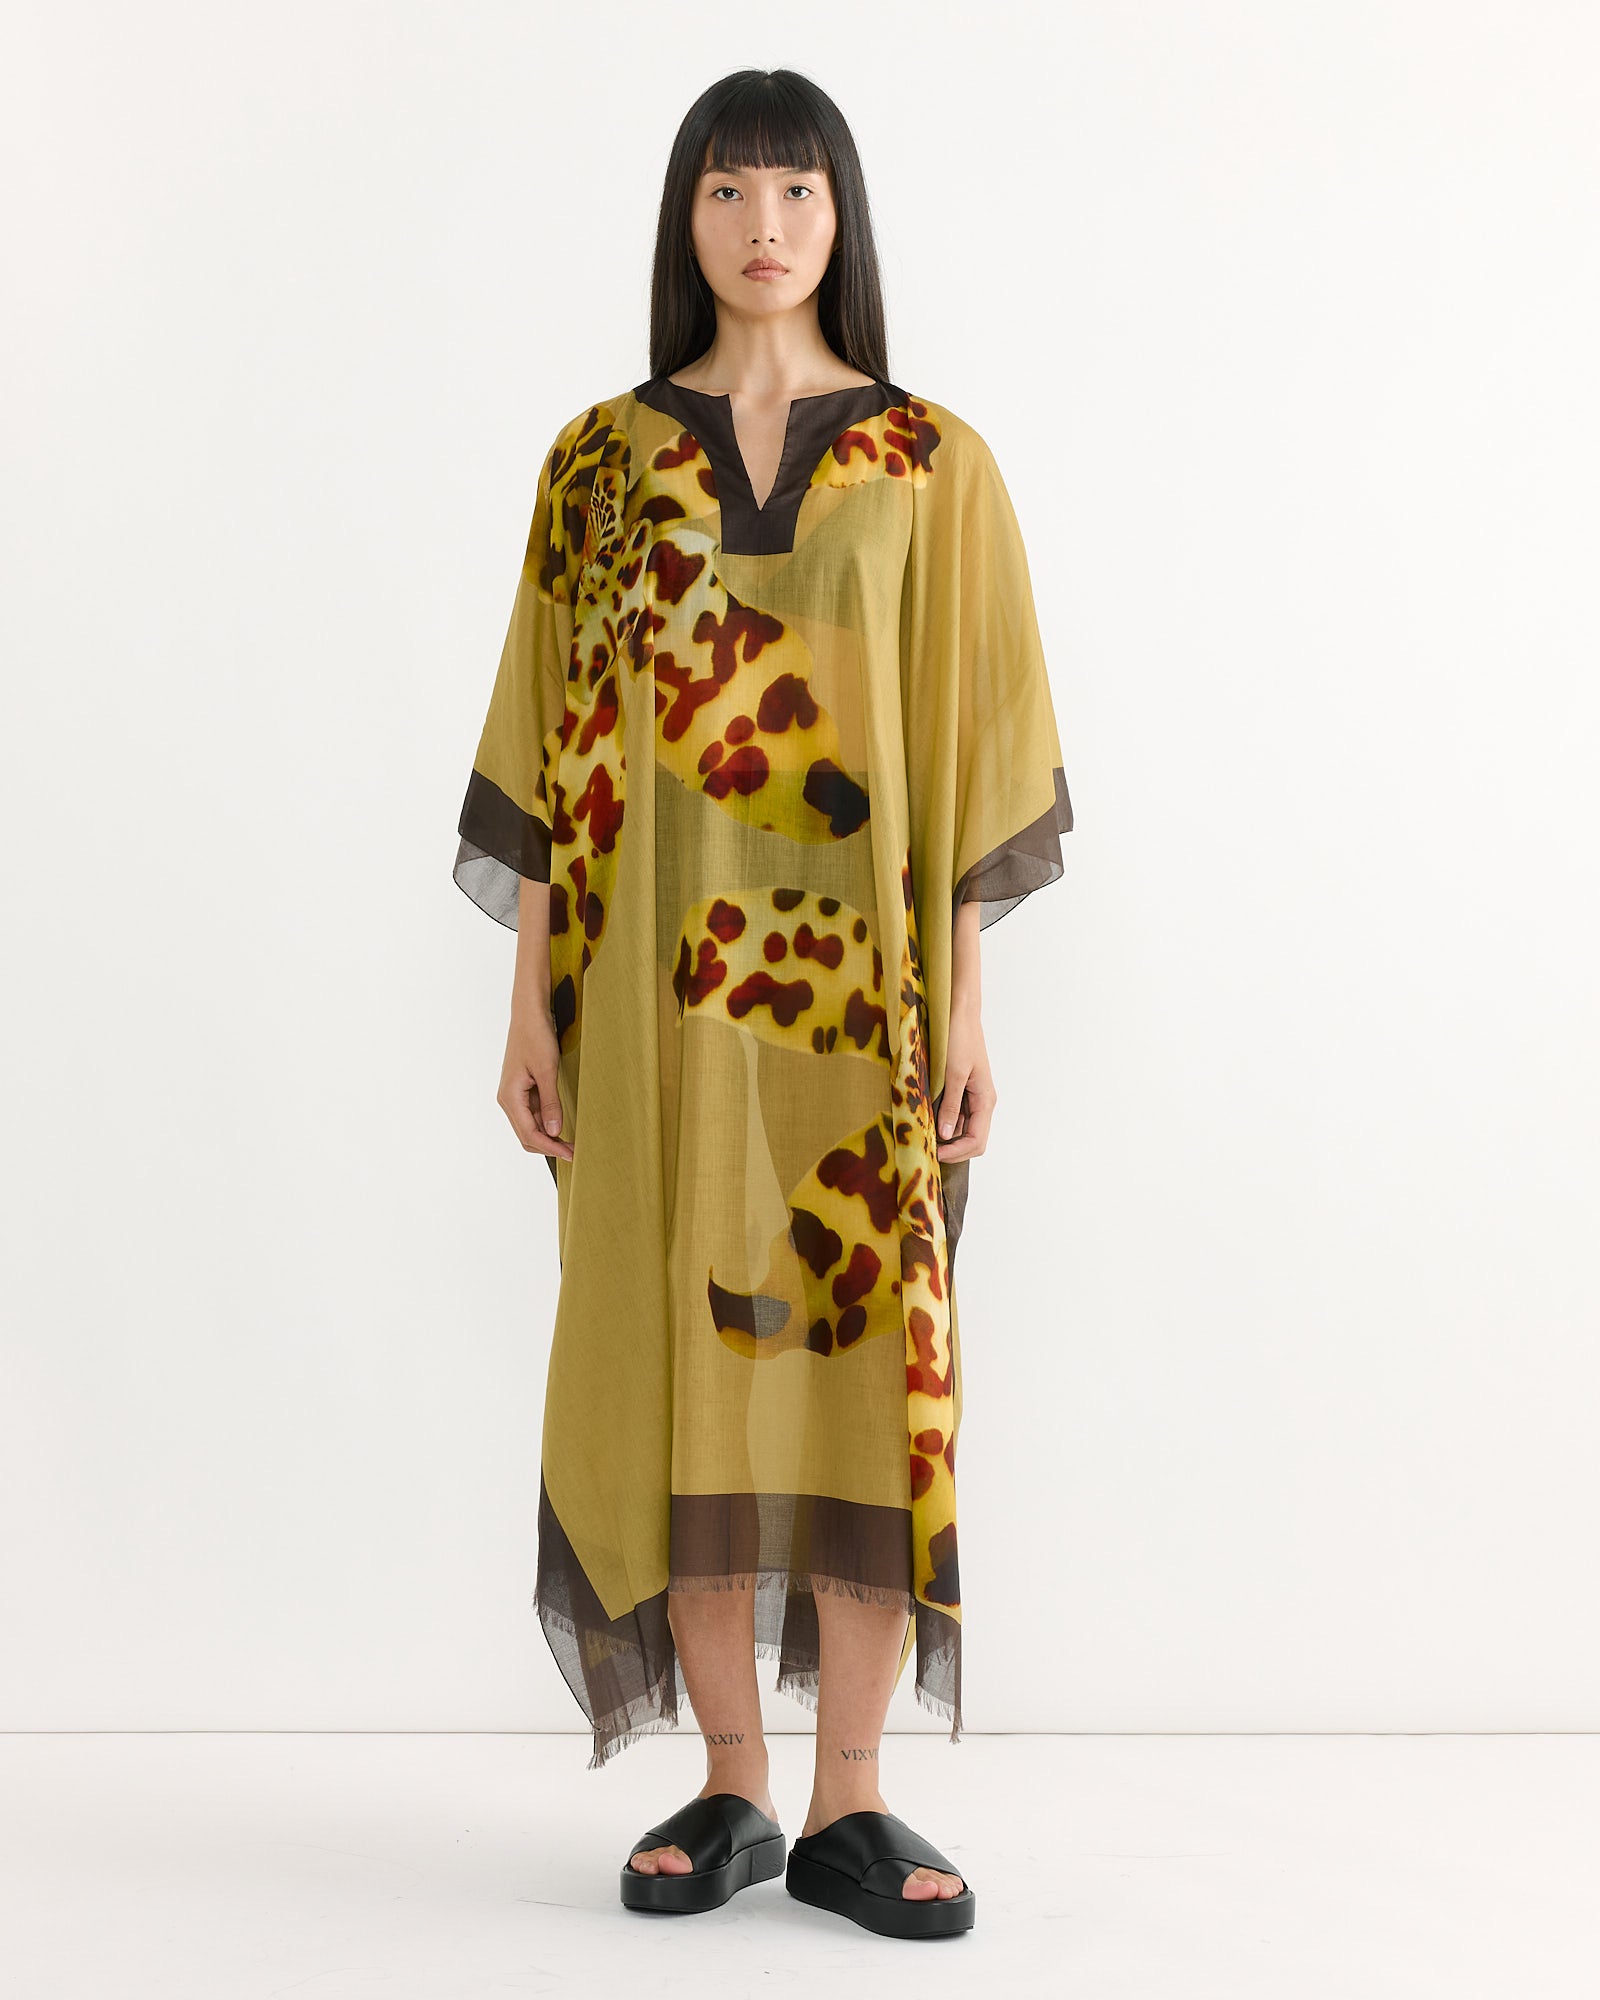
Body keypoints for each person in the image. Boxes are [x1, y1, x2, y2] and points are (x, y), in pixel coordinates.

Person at [452, 67, 1073, 1940]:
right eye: (729, 191)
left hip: (860, 1006)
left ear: (841, 216)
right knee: (673, 1350)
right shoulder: (596, 462)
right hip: (646, 1005)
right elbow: (552, 742)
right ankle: (729, 1783)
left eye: (797, 191)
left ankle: (850, 1801)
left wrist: (968, 1009)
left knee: (872, 1364)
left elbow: (969, 749)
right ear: (687, 217)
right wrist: (529, 1006)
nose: (764, 226)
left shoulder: (935, 467)